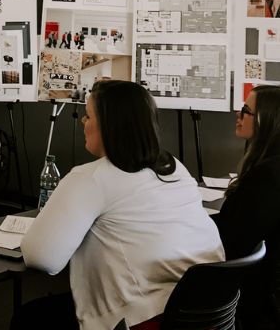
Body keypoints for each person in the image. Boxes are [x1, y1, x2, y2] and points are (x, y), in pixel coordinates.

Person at [15, 80, 224, 330]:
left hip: (141, 319)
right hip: (201, 311)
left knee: (30, 319)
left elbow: (42, 257)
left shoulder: (91, 177)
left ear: (109, 126)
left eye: (88, 116)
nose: (83, 122)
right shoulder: (174, 167)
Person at [214, 85, 280, 328]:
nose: (238, 115)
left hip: (255, 298)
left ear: (265, 120)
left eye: (245, 110)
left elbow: (233, 239)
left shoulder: (267, 176)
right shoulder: (268, 165)